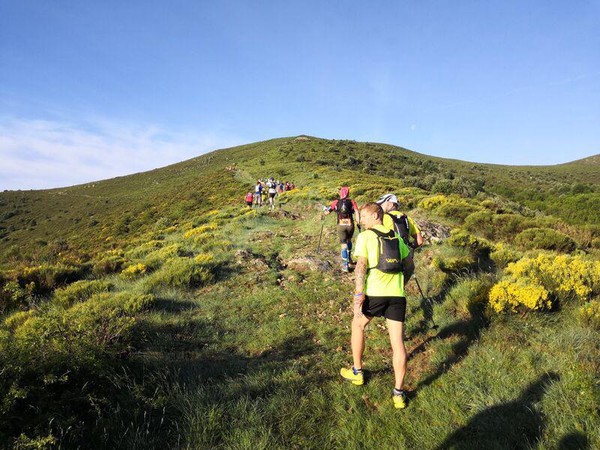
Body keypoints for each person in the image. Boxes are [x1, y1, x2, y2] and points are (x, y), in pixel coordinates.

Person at [340, 202, 411, 409]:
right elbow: (409, 264)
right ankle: (398, 393)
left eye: (363, 216)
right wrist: (401, 284)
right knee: (398, 343)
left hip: (375, 294)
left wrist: (358, 294)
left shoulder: (366, 237)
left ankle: (357, 372)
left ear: (375, 216)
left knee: (357, 325)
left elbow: (361, 266)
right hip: (397, 295)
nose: (360, 220)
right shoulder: (396, 237)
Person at [376, 193, 423, 284]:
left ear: (391, 203)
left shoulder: (383, 218)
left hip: (387, 258)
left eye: (382, 204)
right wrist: (409, 247)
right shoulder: (407, 218)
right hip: (404, 258)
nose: (380, 206)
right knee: (400, 285)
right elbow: (420, 241)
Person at [324, 186, 360, 272]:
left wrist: (324, 210)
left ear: (340, 193)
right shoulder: (352, 201)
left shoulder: (336, 202)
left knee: (343, 244)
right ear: (348, 193)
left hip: (341, 225)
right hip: (350, 225)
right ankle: (349, 258)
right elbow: (357, 212)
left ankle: (345, 265)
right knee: (349, 240)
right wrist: (358, 222)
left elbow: (327, 213)